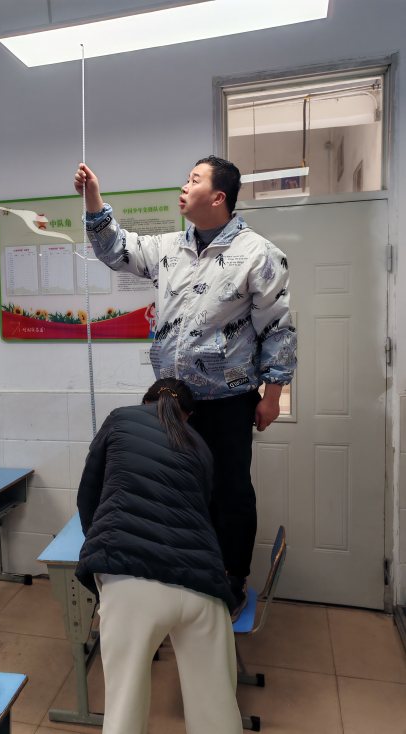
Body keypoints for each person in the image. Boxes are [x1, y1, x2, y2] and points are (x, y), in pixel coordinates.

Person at [74, 157, 297, 615]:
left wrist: (273, 394)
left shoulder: (258, 254)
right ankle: (182, 573)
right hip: (172, 401)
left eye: (194, 180)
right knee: (175, 489)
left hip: (228, 400)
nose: (184, 186)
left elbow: (279, 329)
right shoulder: (169, 248)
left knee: (229, 491)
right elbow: (115, 249)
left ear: (218, 197)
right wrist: (93, 198)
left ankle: (230, 580)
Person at [76, 378, 242, 734]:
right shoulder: (199, 445)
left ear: (146, 401)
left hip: (132, 582)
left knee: (125, 712)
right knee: (217, 712)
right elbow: (207, 514)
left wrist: (103, 545)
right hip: (204, 587)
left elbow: (88, 495)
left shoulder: (121, 418)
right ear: (189, 415)